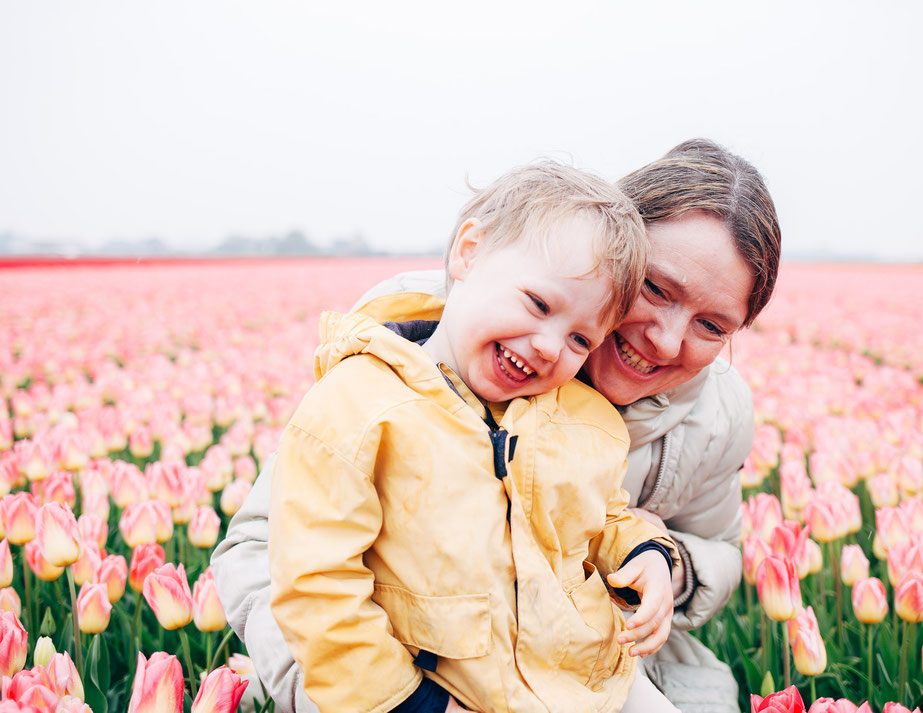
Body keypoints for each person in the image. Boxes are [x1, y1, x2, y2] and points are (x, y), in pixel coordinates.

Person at [213, 138, 782, 713]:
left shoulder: (690, 413)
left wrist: (660, 561)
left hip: (589, 661)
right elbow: (276, 559)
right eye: (655, 289)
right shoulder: (396, 366)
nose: (664, 339)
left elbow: (654, 529)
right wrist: (395, 700)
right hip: (414, 665)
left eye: (712, 326)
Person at [265, 161, 680, 713]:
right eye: (538, 304)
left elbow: (603, 517)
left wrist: (648, 555)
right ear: (469, 252)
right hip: (439, 696)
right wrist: (408, 704)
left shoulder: (583, 418)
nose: (551, 348)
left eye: (581, 338)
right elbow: (317, 585)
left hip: (586, 686)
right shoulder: (358, 408)